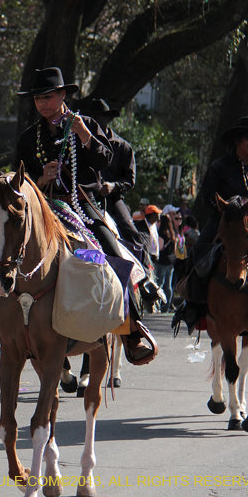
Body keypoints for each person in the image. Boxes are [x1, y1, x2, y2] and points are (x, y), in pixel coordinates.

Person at [15, 67, 152, 360]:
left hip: (82, 206)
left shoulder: (85, 124)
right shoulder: (29, 137)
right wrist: (40, 179)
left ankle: (133, 331)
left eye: (48, 97)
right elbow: (19, 178)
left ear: (63, 95)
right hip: (43, 206)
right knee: (2, 244)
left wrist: (84, 135)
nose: (42, 103)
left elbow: (105, 161)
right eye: (37, 99)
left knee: (113, 250)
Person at [174, 116, 248, 334]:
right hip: (227, 221)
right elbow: (207, 196)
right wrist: (228, 211)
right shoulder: (219, 166)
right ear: (237, 141)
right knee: (200, 251)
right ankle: (193, 305)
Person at [87, 99, 143, 249]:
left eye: (98, 118)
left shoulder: (122, 146)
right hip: (85, 197)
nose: (94, 122)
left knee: (130, 231)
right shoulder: (80, 143)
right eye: (91, 118)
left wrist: (113, 186)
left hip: (112, 200)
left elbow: (130, 180)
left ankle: (142, 261)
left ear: (108, 119)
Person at [155, 214, 177, 313]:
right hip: (171, 261)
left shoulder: (162, 234)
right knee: (168, 285)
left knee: (160, 284)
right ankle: (167, 306)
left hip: (163, 261)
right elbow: (175, 249)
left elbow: (159, 248)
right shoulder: (172, 234)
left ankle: (159, 304)